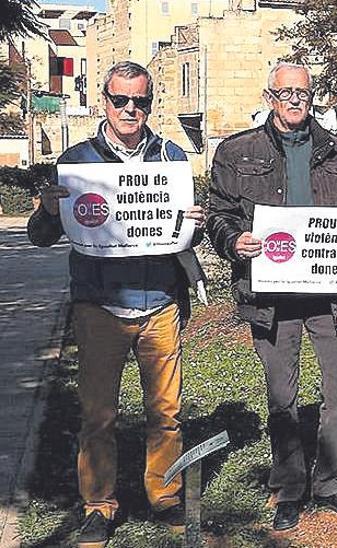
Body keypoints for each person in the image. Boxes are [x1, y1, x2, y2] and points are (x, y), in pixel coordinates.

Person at [27, 60, 206, 548]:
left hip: (160, 303)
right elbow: (41, 237)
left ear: (152, 102)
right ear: (103, 101)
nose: (131, 109)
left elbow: (182, 232)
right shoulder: (77, 159)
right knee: (98, 415)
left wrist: (196, 220)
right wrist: (47, 209)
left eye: (141, 101)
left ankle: (164, 494)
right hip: (99, 305)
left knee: (165, 411)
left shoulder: (170, 157)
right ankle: (99, 506)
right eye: (120, 100)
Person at [205, 62, 337, 532]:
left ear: (313, 97)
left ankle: (331, 484)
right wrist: (233, 241)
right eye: (285, 92)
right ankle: (289, 487)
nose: (294, 100)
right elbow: (218, 213)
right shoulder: (236, 151)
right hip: (270, 293)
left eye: (302, 93)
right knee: (281, 394)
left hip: (329, 294)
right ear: (270, 96)